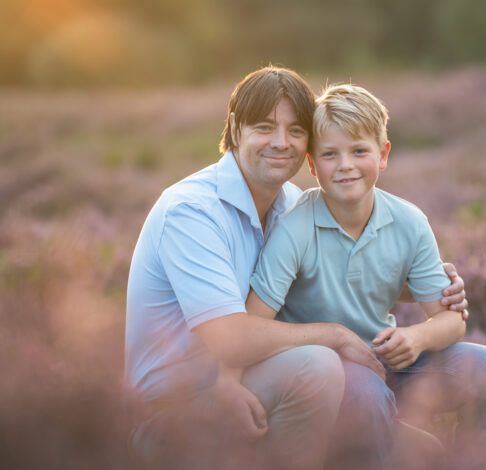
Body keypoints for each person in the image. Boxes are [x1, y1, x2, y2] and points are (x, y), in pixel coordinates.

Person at [123, 66, 468, 470]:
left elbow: (326, 274)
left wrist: (424, 287)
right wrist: (333, 335)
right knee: (317, 365)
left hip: (252, 382)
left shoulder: (289, 201)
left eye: (295, 131)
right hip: (175, 411)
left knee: (426, 453)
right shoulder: (192, 212)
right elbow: (230, 341)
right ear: (235, 129)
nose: (280, 143)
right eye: (265, 127)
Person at [245, 84, 486, 469]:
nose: (345, 165)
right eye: (329, 154)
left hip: (387, 359)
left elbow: (450, 319)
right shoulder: (296, 229)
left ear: (383, 154)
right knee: (366, 398)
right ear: (311, 164)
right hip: (328, 374)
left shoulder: (409, 222)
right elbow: (252, 325)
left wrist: (416, 336)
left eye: (359, 151)